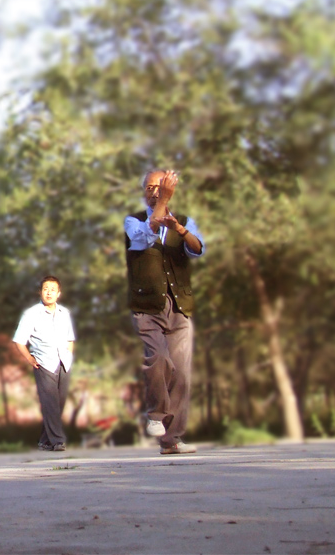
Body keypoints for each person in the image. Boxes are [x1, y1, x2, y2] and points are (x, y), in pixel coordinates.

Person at [124, 169, 206, 455]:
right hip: (147, 307)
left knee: (182, 373)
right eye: (149, 187)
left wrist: (181, 230)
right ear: (143, 191)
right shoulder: (132, 221)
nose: (154, 191)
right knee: (158, 358)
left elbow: (198, 249)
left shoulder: (184, 221)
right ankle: (156, 415)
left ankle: (172, 440)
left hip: (180, 307)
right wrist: (163, 202)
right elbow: (145, 238)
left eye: (160, 187)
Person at [12, 275, 76, 452]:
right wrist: (30, 358)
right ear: (40, 292)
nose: (49, 292)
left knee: (59, 404)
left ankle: (44, 441)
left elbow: (70, 338)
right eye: (46, 289)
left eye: (53, 289)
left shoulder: (65, 313)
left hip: (63, 362)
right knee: (50, 404)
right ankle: (57, 441)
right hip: (44, 363)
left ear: (59, 293)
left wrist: (69, 356)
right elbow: (19, 341)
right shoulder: (31, 314)